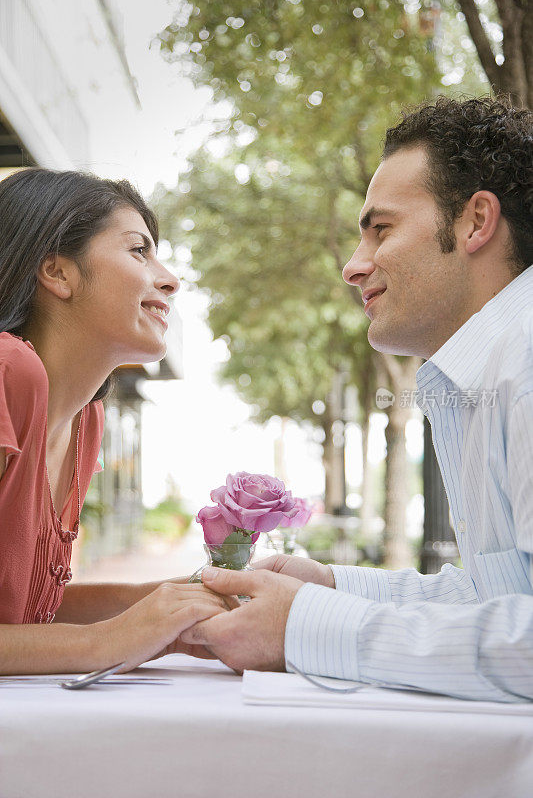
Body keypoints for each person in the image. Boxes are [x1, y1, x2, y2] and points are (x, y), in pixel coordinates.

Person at [180, 95, 533, 702]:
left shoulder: (524, 367)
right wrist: (327, 587)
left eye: (381, 230)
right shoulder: (493, 369)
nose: (353, 266)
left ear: (476, 222)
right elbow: (497, 598)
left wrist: (307, 625)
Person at [0, 168, 232, 675]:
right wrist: (107, 642)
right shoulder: (6, 371)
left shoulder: (86, 421)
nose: (170, 278)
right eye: (137, 250)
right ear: (57, 272)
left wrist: (170, 603)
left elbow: (22, 617)